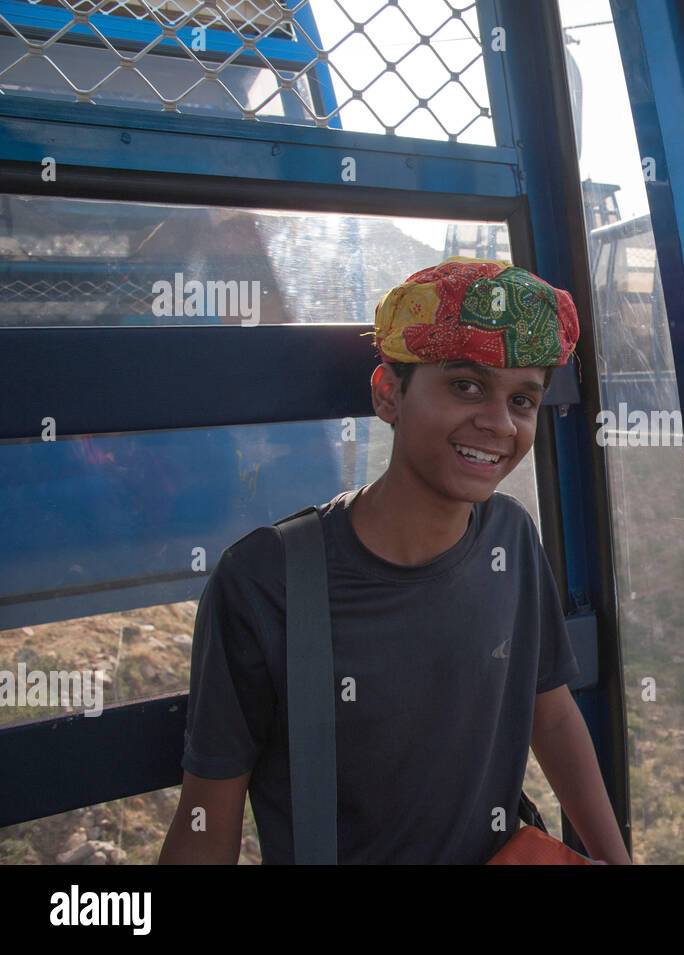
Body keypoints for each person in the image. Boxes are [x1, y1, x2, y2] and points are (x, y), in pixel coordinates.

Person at [159, 257, 631, 865]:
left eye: (521, 400)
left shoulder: (510, 537)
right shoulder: (265, 582)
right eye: (465, 385)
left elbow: (551, 710)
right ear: (389, 394)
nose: (497, 423)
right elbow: (207, 816)